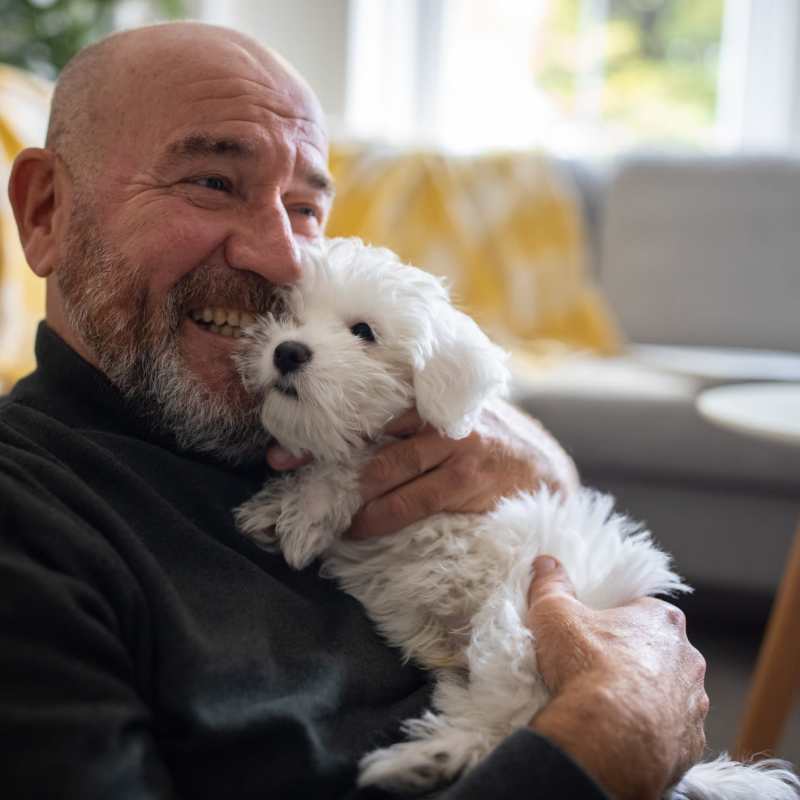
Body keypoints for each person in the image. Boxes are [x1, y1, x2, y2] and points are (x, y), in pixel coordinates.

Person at [1, 21, 707, 799]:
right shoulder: (33, 524)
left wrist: (544, 466)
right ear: (45, 212)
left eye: (305, 207)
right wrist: (606, 744)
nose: (283, 256)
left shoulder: (333, 421)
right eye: (211, 181)